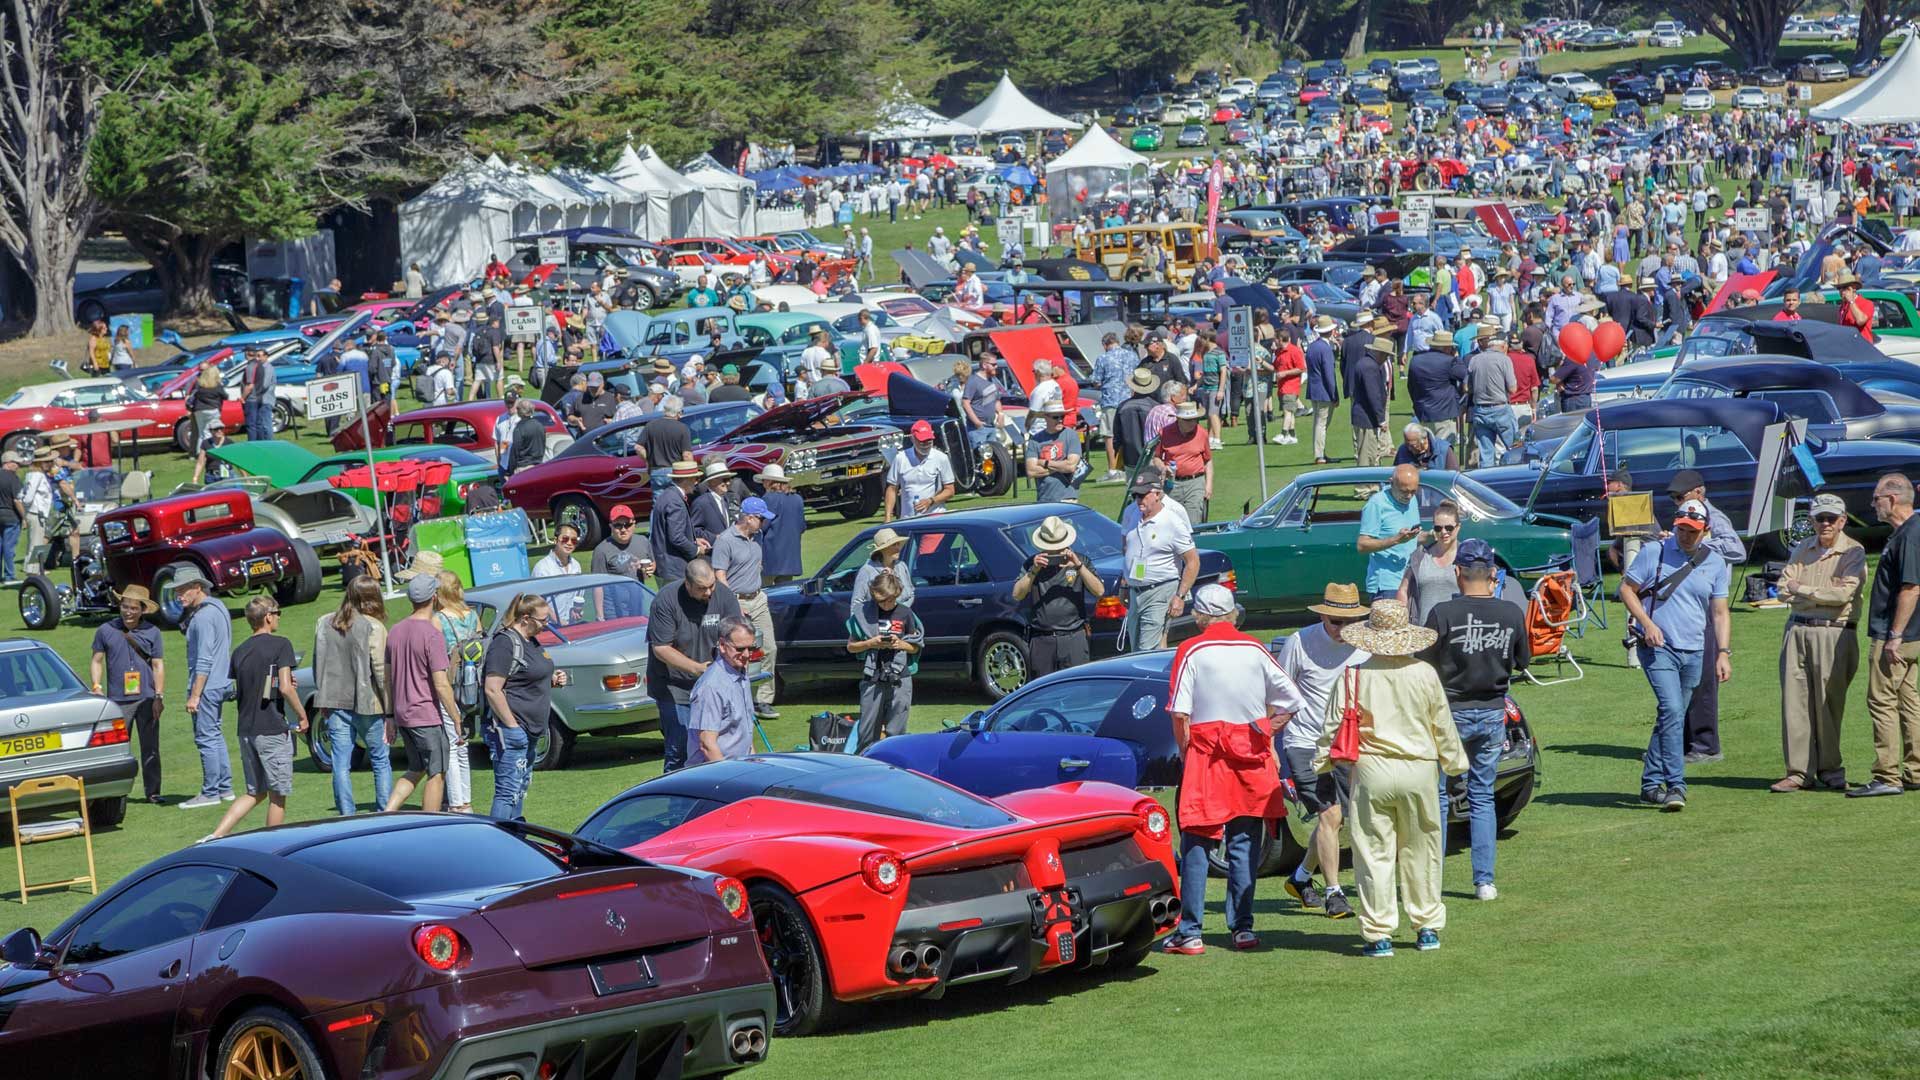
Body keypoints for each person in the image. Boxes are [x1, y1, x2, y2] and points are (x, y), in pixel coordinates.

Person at [1318, 600, 1467, 957]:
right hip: (1418, 769)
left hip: (1372, 771)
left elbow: (1332, 726)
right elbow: (1442, 724)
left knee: (1373, 853)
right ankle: (1427, 925)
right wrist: (1455, 762)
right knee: (1423, 849)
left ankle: (1379, 932)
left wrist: (1322, 761)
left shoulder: (1355, 675)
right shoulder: (1424, 674)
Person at [1160, 585, 1304, 956]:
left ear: (1200, 614)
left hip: (1207, 757)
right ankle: (1242, 927)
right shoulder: (1254, 648)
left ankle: (1190, 932)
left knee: (1196, 843)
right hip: (1250, 757)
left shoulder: (1190, 649)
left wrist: (1185, 750)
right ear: (1231, 614)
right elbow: (1291, 701)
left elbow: (1180, 712)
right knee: (1244, 843)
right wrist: (1265, 730)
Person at [1420, 540, 1529, 899]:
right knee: (1482, 795)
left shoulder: (1442, 613)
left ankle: (1432, 879)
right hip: (1493, 710)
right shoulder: (1512, 613)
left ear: (1458, 573)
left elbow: (1425, 662)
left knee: (1437, 794)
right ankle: (1484, 880)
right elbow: (1523, 661)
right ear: (1493, 574)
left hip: (1450, 711)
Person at [1619, 499, 1732, 812]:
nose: (1685, 535)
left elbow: (1720, 612)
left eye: (1693, 531)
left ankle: (1649, 784)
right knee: (1671, 709)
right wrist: (1647, 623)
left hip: (1695, 649)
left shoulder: (1715, 563)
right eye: (1682, 529)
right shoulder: (1653, 552)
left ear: (1705, 530)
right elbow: (1626, 589)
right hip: (1657, 647)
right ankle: (1676, 786)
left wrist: (1723, 653)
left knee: (1673, 715)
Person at [1272, 584, 1371, 920]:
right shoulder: (1299, 642)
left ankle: (1301, 878)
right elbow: (1279, 692)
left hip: (1345, 743)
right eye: (1335, 622)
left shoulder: (1366, 645)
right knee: (1330, 816)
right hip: (1304, 743)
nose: (1343, 630)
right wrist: (1271, 746)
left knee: (1337, 819)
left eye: (1350, 622)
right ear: (1322, 616)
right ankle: (1334, 893)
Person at [1774, 493, 1863, 793]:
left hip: (1835, 632)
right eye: (1819, 518)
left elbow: (1842, 596)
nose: (1825, 523)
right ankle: (1798, 772)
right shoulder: (1802, 547)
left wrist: (1803, 590)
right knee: (1794, 704)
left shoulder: (1854, 551)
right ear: (1811, 520)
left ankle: (1830, 769)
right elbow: (1782, 588)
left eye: (1831, 518)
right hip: (1797, 630)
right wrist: (1819, 592)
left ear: (1842, 520)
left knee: (1828, 703)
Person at [202, 598, 308, 841]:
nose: (279, 616)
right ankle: (271, 844)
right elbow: (284, 688)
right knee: (278, 796)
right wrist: (302, 716)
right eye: (277, 612)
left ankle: (216, 834)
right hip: (271, 729)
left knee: (254, 792)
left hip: (246, 730)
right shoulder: (281, 645)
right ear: (268, 617)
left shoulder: (239, 652)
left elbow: (251, 687)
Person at [1667, 470, 1745, 764]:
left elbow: (1737, 549)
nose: (1676, 501)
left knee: (1703, 682)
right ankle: (1687, 743)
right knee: (1685, 680)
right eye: (1674, 497)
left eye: (1680, 496)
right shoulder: (1684, 516)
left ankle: (1705, 745)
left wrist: (1702, 543)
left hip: (1710, 607)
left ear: (1699, 492)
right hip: (1688, 610)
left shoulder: (1715, 518)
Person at [1856, 473, 1920, 797]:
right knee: (1908, 700)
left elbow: (1911, 589)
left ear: (1892, 500)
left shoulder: (1910, 534)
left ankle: (1887, 776)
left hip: (1895, 636)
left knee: (1881, 701)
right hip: (1910, 636)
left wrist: (1894, 635)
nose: (1873, 504)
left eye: (1876, 498)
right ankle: (1915, 770)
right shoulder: (1907, 532)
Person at [647, 558, 743, 773]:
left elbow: (736, 635)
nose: (709, 593)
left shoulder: (724, 596)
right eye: (701, 589)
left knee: (721, 743)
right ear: (687, 584)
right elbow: (661, 648)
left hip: (714, 686)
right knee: (680, 750)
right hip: (675, 686)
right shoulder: (666, 600)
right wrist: (698, 669)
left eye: (711, 586)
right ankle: (676, 802)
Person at [311, 576, 392, 816]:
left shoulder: (324, 622)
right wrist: (390, 711)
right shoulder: (374, 627)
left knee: (340, 763)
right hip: (369, 704)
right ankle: (385, 811)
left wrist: (322, 697)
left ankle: (346, 813)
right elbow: (381, 672)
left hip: (335, 701)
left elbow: (318, 665)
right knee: (380, 760)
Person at [481, 592, 565, 819]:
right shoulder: (504, 643)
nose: (547, 625)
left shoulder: (531, 640)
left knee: (519, 791)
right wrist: (512, 727)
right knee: (507, 792)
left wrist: (552, 679)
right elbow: (492, 688)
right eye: (543, 620)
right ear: (525, 618)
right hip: (512, 731)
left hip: (531, 730)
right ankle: (499, 842)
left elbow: (526, 675)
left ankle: (516, 837)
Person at [384, 574, 461, 813]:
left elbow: (387, 679)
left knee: (416, 768)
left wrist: (389, 716)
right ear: (434, 598)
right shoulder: (431, 634)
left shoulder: (395, 631)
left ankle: (388, 812)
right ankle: (430, 824)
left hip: (402, 713)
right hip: (425, 714)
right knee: (437, 773)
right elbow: (441, 684)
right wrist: (457, 718)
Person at [89, 585, 165, 803]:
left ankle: (153, 792)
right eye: (124, 606)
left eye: (133, 608)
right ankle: (115, 795)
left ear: (142, 609)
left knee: (151, 748)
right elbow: (96, 660)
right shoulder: (105, 630)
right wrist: (96, 686)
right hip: (117, 702)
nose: (128, 612)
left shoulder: (153, 632)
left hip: (147, 699)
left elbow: (158, 665)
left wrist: (159, 697)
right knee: (116, 751)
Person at [1012, 514, 1106, 677]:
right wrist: (1034, 571)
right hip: (1042, 638)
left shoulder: (1080, 560)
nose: (1055, 553)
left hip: (1073, 636)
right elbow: (1017, 595)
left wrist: (1078, 566)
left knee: (1076, 689)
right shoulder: (1032, 564)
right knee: (1043, 693)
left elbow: (1099, 591)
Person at [712, 496, 780, 721]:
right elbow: (719, 575)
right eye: (761, 518)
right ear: (749, 518)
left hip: (758, 599)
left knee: (769, 648)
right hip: (737, 602)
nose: (764, 523)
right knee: (739, 653)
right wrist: (733, 603)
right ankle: (739, 699)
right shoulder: (725, 541)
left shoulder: (756, 537)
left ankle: (763, 700)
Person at [173, 569, 234, 810]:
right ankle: (225, 787)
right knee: (216, 735)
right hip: (221, 682)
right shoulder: (218, 606)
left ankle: (210, 792)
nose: (179, 596)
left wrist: (195, 695)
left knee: (206, 738)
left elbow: (204, 660)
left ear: (197, 587)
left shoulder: (202, 618)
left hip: (207, 686)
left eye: (182, 590)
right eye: (177, 591)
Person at [848, 569, 924, 746]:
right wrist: (871, 643)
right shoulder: (864, 613)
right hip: (872, 677)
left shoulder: (905, 613)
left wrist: (900, 644)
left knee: (896, 733)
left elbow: (915, 647)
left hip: (900, 678)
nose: (888, 605)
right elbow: (851, 647)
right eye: (883, 601)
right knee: (867, 732)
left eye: (892, 600)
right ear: (875, 595)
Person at [1122, 476, 1198, 652]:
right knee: (1135, 649)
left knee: (1147, 649)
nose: (1138, 500)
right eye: (1136, 496)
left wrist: (1180, 596)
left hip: (1160, 591)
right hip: (1135, 592)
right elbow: (1127, 552)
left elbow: (1193, 561)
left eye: (1143, 495)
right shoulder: (1133, 515)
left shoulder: (1172, 522)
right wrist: (1124, 585)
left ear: (1157, 494)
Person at [431, 573, 482, 814]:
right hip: (471, 686)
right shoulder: (472, 616)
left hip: (450, 685)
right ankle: (467, 799)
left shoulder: (438, 619)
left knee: (452, 743)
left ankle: (456, 802)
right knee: (464, 743)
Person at [688, 617, 761, 764]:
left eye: (751, 648)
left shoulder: (741, 673)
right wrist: (731, 779)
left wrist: (753, 763)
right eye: (740, 649)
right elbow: (707, 745)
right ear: (722, 645)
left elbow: (744, 732)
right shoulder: (711, 687)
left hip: (740, 769)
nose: (747, 655)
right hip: (715, 775)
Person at [1358, 465, 1425, 602]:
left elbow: (1412, 539)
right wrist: (1395, 539)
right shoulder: (1377, 504)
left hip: (1410, 580)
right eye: (1404, 491)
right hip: (1387, 586)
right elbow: (1362, 545)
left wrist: (1432, 535)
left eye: (1413, 491)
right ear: (1391, 482)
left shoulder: (1412, 501)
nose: (1409, 496)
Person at [1397, 500, 1462, 625]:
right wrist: (1401, 620)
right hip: (1423, 633)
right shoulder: (1420, 555)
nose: (1443, 532)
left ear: (1458, 527)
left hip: (1456, 633)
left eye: (1449, 528)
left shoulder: (1466, 557)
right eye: (1438, 528)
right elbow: (1403, 590)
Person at [1465, 325, 1519, 467]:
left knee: (1486, 454)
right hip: (1500, 408)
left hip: (1480, 410)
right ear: (1501, 346)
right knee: (1514, 448)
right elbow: (1513, 389)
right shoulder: (1504, 360)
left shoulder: (1474, 360)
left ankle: (1487, 483)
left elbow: (1466, 387)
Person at [649, 458, 706, 585]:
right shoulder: (675, 502)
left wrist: (693, 540)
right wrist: (696, 549)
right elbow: (676, 537)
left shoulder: (666, 495)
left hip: (665, 566)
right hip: (673, 569)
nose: (697, 483)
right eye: (696, 479)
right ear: (687, 480)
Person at [885, 419, 955, 521]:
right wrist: (887, 517)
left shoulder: (941, 458)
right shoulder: (901, 458)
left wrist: (931, 501)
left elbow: (950, 490)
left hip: (935, 518)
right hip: (907, 520)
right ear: (913, 439)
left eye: (929, 440)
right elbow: (892, 488)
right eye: (921, 441)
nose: (925, 444)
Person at [1154, 400, 1211, 523]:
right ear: (1179, 419)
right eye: (1188, 420)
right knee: (1172, 521)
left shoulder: (1202, 433)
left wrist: (1208, 485)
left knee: (1194, 520)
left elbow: (1208, 461)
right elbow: (1156, 457)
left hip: (1195, 483)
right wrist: (1163, 468)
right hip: (1172, 483)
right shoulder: (1165, 433)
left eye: (1194, 419)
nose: (1193, 423)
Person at [1025, 402, 1085, 504]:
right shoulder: (1035, 440)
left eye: (1062, 416)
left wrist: (1045, 463)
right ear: (1046, 417)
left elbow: (1070, 466)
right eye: (1056, 417)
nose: (1060, 420)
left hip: (1067, 498)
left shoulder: (1071, 435)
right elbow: (1031, 471)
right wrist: (1061, 466)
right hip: (1044, 499)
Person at [757, 464, 806, 584]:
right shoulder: (797, 499)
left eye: (763, 480)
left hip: (770, 558)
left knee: (764, 596)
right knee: (783, 596)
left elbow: (761, 526)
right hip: (790, 557)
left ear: (768, 481)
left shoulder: (768, 499)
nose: (762, 484)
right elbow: (802, 527)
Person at [1349, 338, 1393, 467]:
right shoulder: (1370, 367)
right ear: (1380, 353)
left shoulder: (1365, 363)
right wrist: (1381, 419)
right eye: (1386, 355)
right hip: (1366, 417)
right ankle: (1365, 486)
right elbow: (1373, 395)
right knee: (1367, 454)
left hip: (1364, 416)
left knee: (1369, 452)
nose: (1386, 359)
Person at [1112, 368, 1160, 471]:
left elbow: (1117, 437)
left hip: (1130, 459)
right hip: (1153, 458)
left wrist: (1119, 454)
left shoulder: (1122, 407)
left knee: (1132, 486)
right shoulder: (1156, 407)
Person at [853, 527, 915, 607]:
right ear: (882, 549)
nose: (898, 548)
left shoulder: (901, 566)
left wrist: (901, 611)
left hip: (902, 617)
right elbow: (857, 602)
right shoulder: (867, 571)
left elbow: (911, 593)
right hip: (875, 618)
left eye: (898, 544)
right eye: (893, 545)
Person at [591, 504, 655, 581]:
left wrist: (650, 569)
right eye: (618, 525)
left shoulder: (643, 541)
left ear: (634, 524)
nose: (623, 530)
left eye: (627, 524)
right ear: (611, 526)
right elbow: (598, 583)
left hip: (638, 592)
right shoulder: (601, 551)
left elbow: (652, 563)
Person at [240, 346, 277, 441]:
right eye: (257, 355)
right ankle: (262, 443)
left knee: (265, 424)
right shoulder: (259, 366)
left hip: (264, 399)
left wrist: (245, 396)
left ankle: (268, 443)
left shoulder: (267, 368)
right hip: (260, 398)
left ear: (266, 356)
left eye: (260, 356)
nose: (258, 358)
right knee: (259, 424)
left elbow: (264, 385)